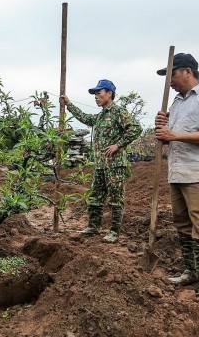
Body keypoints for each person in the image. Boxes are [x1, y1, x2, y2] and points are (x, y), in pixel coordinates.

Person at [154, 53, 199, 295]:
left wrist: (174, 135)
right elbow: (171, 137)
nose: (170, 81)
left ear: (188, 71)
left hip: (198, 173)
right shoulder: (176, 102)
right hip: (176, 171)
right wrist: (163, 130)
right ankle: (191, 270)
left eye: (172, 74)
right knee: (182, 224)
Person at [60, 80, 141, 243]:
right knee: (95, 198)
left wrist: (118, 145)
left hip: (115, 165)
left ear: (109, 93)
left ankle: (114, 232)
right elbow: (84, 117)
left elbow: (137, 128)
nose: (96, 97)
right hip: (100, 165)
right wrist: (68, 104)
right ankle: (93, 226)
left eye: (99, 93)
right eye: (95, 94)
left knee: (116, 199)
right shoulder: (101, 115)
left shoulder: (119, 112)